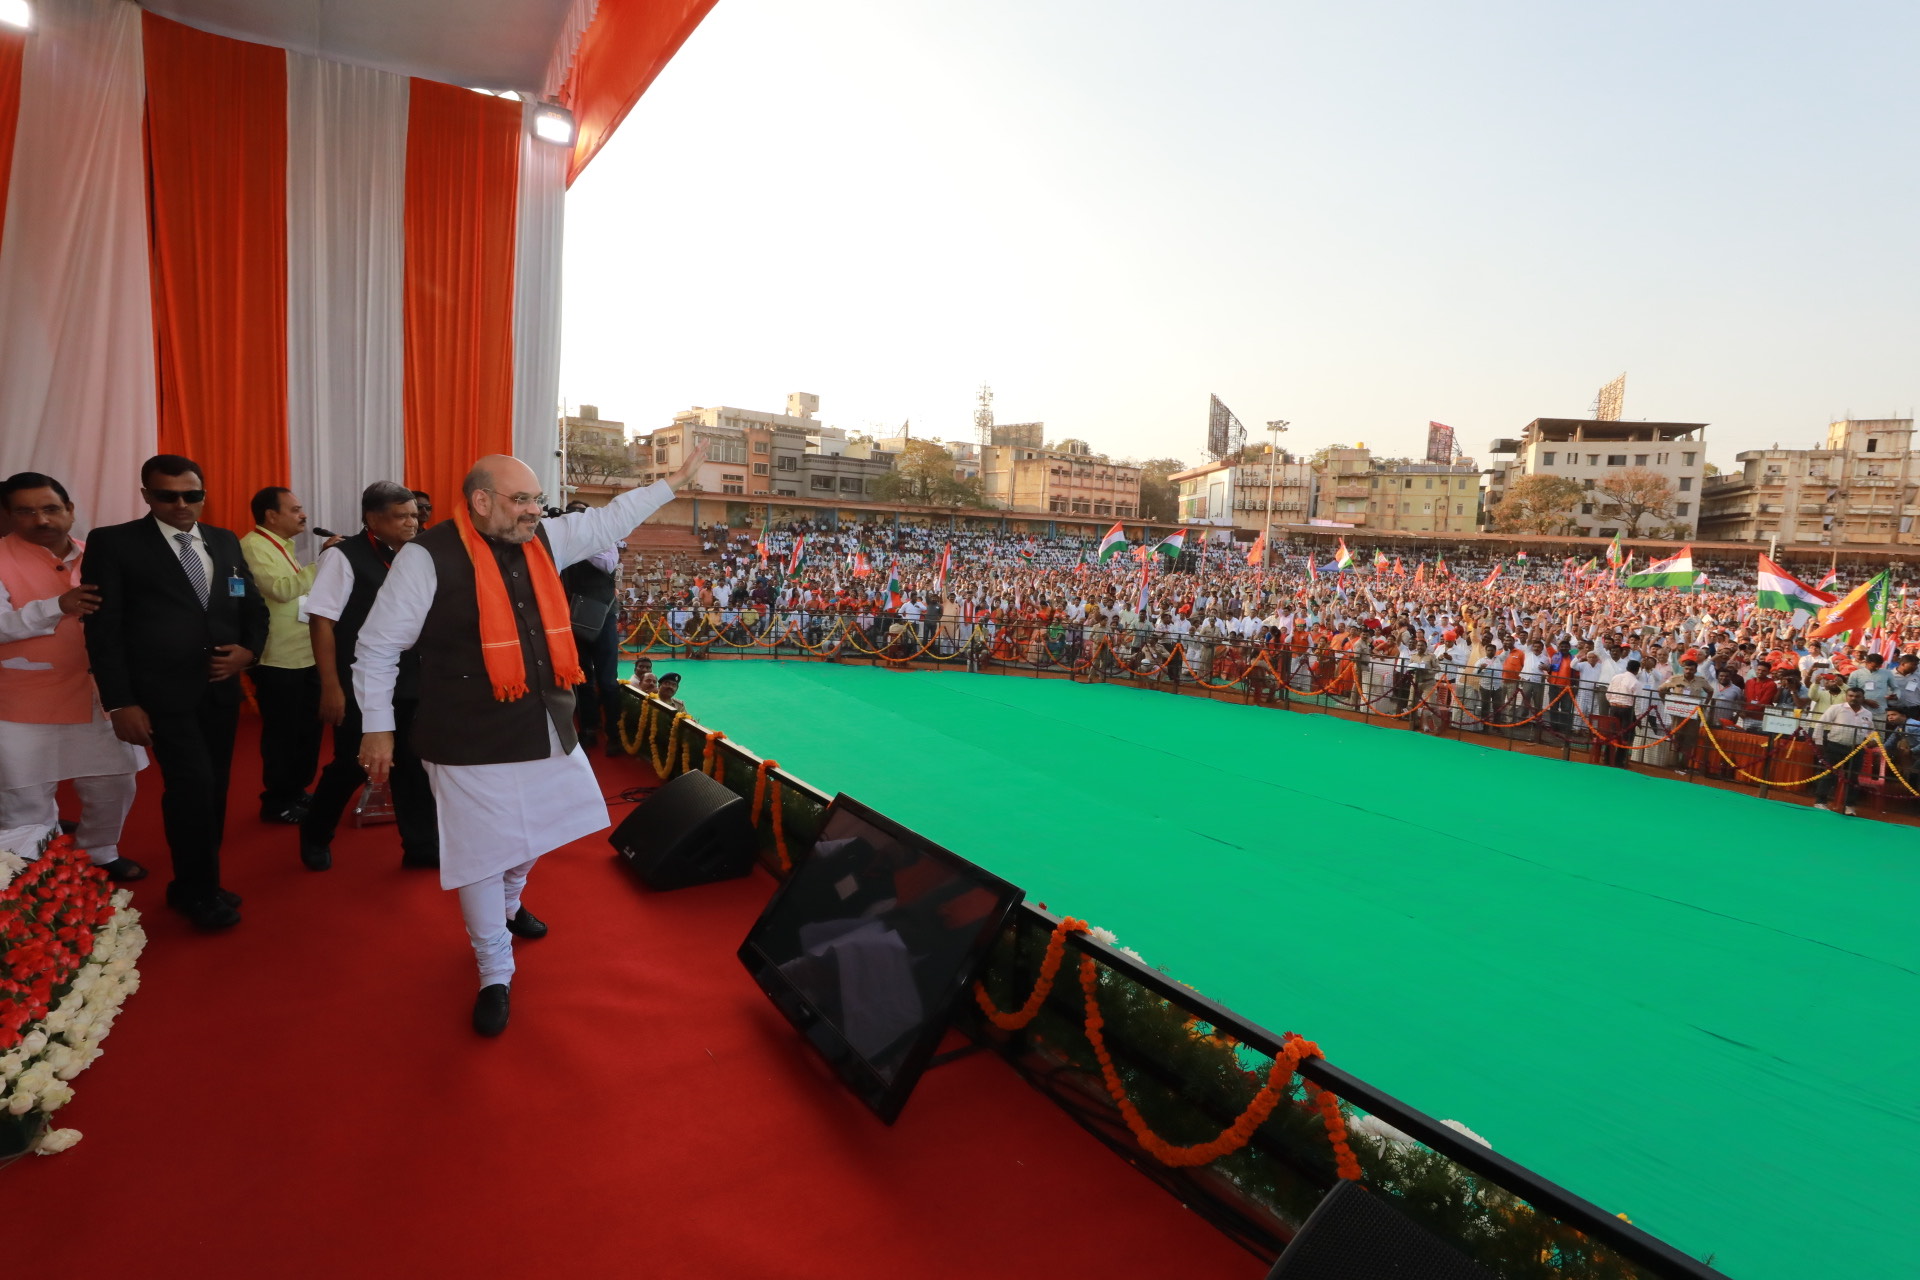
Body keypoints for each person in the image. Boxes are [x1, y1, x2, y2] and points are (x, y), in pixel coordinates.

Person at [356, 445, 707, 1035]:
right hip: (466, 735)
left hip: (544, 721)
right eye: (521, 500)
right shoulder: (427, 558)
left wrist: (670, 484)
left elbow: (607, 520)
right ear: (481, 501)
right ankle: (495, 969)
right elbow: (377, 648)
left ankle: (512, 905)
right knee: (481, 855)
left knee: (535, 830)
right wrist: (376, 728)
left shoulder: (541, 538)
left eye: (538, 500)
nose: (534, 512)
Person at [81, 455, 268, 930]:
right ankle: (195, 892)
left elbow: (253, 607)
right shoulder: (115, 543)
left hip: (221, 692)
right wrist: (120, 701)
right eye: (167, 495)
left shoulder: (224, 540)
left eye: (192, 495)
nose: (181, 504)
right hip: (161, 696)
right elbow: (104, 631)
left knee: (216, 790)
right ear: (146, 495)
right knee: (192, 789)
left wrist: (248, 652)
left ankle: (199, 880)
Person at [0, 473, 148, 881]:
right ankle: (29, 874)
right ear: (9, 516)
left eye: (50, 508)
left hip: (101, 697)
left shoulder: (98, 554)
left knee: (114, 783)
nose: (41, 519)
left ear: (70, 510)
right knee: (24, 798)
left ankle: (99, 851)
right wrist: (55, 606)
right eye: (26, 511)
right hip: (22, 701)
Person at [299, 483, 437, 872]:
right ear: (372, 519)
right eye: (402, 516)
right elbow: (321, 623)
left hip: (411, 680)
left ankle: (421, 845)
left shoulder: (418, 556)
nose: (413, 522)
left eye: (415, 514)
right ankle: (315, 833)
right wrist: (331, 686)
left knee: (413, 763)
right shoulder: (343, 557)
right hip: (360, 682)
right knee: (352, 764)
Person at [241, 486, 340, 824]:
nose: (304, 515)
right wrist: (324, 560)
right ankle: (277, 800)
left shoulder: (284, 546)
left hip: (305, 652)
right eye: (295, 509)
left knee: (308, 731)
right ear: (271, 515)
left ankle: (296, 791)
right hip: (277, 659)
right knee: (283, 734)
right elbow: (282, 589)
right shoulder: (253, 546)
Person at [559, 499, 623, 752]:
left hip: (603, 616)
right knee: (582, 678)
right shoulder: (562, 543)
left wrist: (582, 541)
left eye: (581, 515)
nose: (576, 519)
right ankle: (588, 729)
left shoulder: (604, 539)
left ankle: (614, 734)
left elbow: (607, 564)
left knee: (608, 680)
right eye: (572, 515)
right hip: (573, 616)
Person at [1810, 685, 1873, 815]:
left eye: (1857, 696)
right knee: (1829, 775)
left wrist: (1871, 740)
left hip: (1856, 749)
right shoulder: (1836, 708)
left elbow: (1870, 731)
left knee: (1853, 778)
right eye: (1851, 696)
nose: (1854, 698)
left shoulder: (1867, 713)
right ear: (1846, 696)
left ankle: (1849, 805)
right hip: (1835, 746)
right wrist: (1819, 742)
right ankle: (1820, 802)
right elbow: (1820, 724)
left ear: (1863, 698)